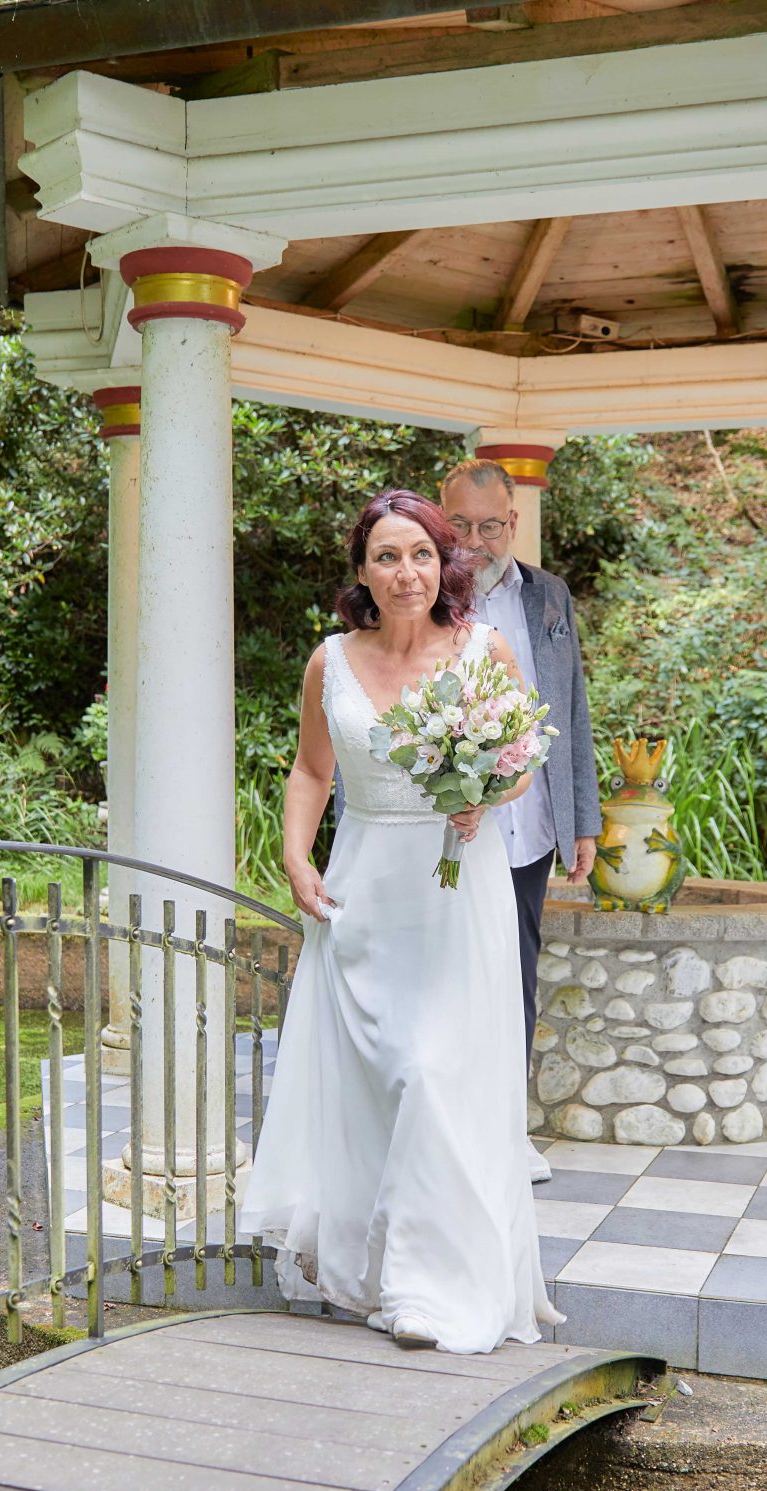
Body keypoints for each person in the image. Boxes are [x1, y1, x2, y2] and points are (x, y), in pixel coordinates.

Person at [243, 489, 564, 1354]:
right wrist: (297, 857)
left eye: (420, 554)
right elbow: (311, 772)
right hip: (364, 895)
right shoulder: (330, 662)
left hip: (457, 893)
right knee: (372, 1084)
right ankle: (372, 1263)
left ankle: (428, 1286)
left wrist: (486, 794)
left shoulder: (483, 649)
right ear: (362, 571)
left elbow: (522, 761)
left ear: (442, 562)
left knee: (433, 1075)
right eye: (387, 556)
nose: (406, 572)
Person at [440, 458, 602, 1183]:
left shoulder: (550, 595)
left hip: (529, 827)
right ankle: (447, 1132)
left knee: (516, 978)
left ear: (513, 521)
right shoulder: (421, 596)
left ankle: (508, 1130)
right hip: (450, 831)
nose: (475, 541)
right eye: (460, 525)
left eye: (490, 525)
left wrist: (582, 820)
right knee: (448, 978)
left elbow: (571, 709)